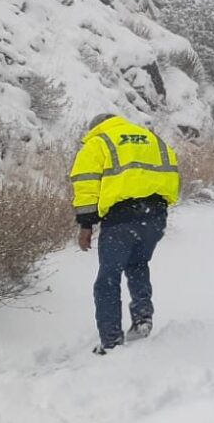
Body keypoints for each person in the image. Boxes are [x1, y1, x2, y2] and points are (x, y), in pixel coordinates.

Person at [69, 113, 180, 355]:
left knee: (107, 280)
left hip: (121, 219)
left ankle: (111, 342)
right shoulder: (151, 138)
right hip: (156, 216)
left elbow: (85, 184)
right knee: (138, 264)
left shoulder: (99, 142)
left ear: (95, 127)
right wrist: (156, 209)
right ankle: (142, 318)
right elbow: (172, 174)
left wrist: (86, 225)